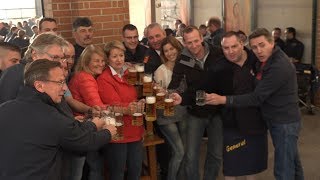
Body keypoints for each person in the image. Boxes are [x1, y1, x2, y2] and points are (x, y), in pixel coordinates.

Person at [206, 28, 304, 180]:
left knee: (283, 168)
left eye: (262, 45)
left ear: (272, 42)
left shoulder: (278, 66)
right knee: (292, 161)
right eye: (255, 47)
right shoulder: (264, 61)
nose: (259, 50)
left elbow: (256, 98)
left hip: (284, 122)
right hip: (274, 120)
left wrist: (223, 99)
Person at [0, 59, 116, 180]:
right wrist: (108, 132)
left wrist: (92, 125)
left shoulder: (4, 108)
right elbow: (84, 141)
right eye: (60, 82)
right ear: (39, 85)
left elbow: (67, 131)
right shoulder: (51, 117)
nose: (65, 88)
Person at [209, 31, 268, 180]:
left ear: (242, 43)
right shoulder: (218, 67)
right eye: (226, 48)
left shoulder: (257, 60)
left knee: (252, 166)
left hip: (257, 122)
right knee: (231, 167)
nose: (230, 51)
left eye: (234, 46)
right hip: (232, 124)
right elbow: (204, 88)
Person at [168, 25, 223, 180]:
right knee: (191, 155)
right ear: (184, 43)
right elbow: (174, 84)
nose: (194, 46)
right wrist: (176, 95)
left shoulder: (217, 52)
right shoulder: (183, 58)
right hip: (196, 110)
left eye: (196, 41)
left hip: (217, 110)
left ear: (202, 38)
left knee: (216, 154)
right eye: (189, 43)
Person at [97, 40, 144, 180]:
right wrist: (132, 106)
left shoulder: (129, 74)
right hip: (118, 131)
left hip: (135, 128)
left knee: (136, 171)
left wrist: (141, 100)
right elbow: (112, 104)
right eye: (114, 56)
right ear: (107, 59)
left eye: (121, 55)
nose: (119, 59)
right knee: (117, 173)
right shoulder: (104, 79)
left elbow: (137, 94)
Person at [68, 45, 107, 180]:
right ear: (86, 62)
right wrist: (123, 109)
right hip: (83, 127)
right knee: (95, 167)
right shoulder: (85, 78)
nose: (101, 64)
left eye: (102, 61)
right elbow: (98, 107)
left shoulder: (84, 75)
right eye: (96, 61)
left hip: (81, 126)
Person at [154, 36, 187, 180]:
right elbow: (159, 98)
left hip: (184, 112)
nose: (169, 53)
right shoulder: (160, 70)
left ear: (178, 47)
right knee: (179, 151)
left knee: (185, 151)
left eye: (171, 49)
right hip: (167, 116)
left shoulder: (187, 63)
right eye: (166, 51)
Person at [0, 33, 67, 104]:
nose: (61, 63)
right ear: (35, 55)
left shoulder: (53, 73)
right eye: (55, 57)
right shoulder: (15, 73)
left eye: (62, 58)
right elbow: (5, 109)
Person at [145, 22, 170, 179]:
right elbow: (146, 84)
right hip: (158, 106)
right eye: (151, 37)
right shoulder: (148, 57)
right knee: (164, 142)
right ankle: (165, 173)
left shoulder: (174, 49)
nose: (155, 40)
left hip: (178, 104)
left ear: (164, 34)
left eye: (157, 36)